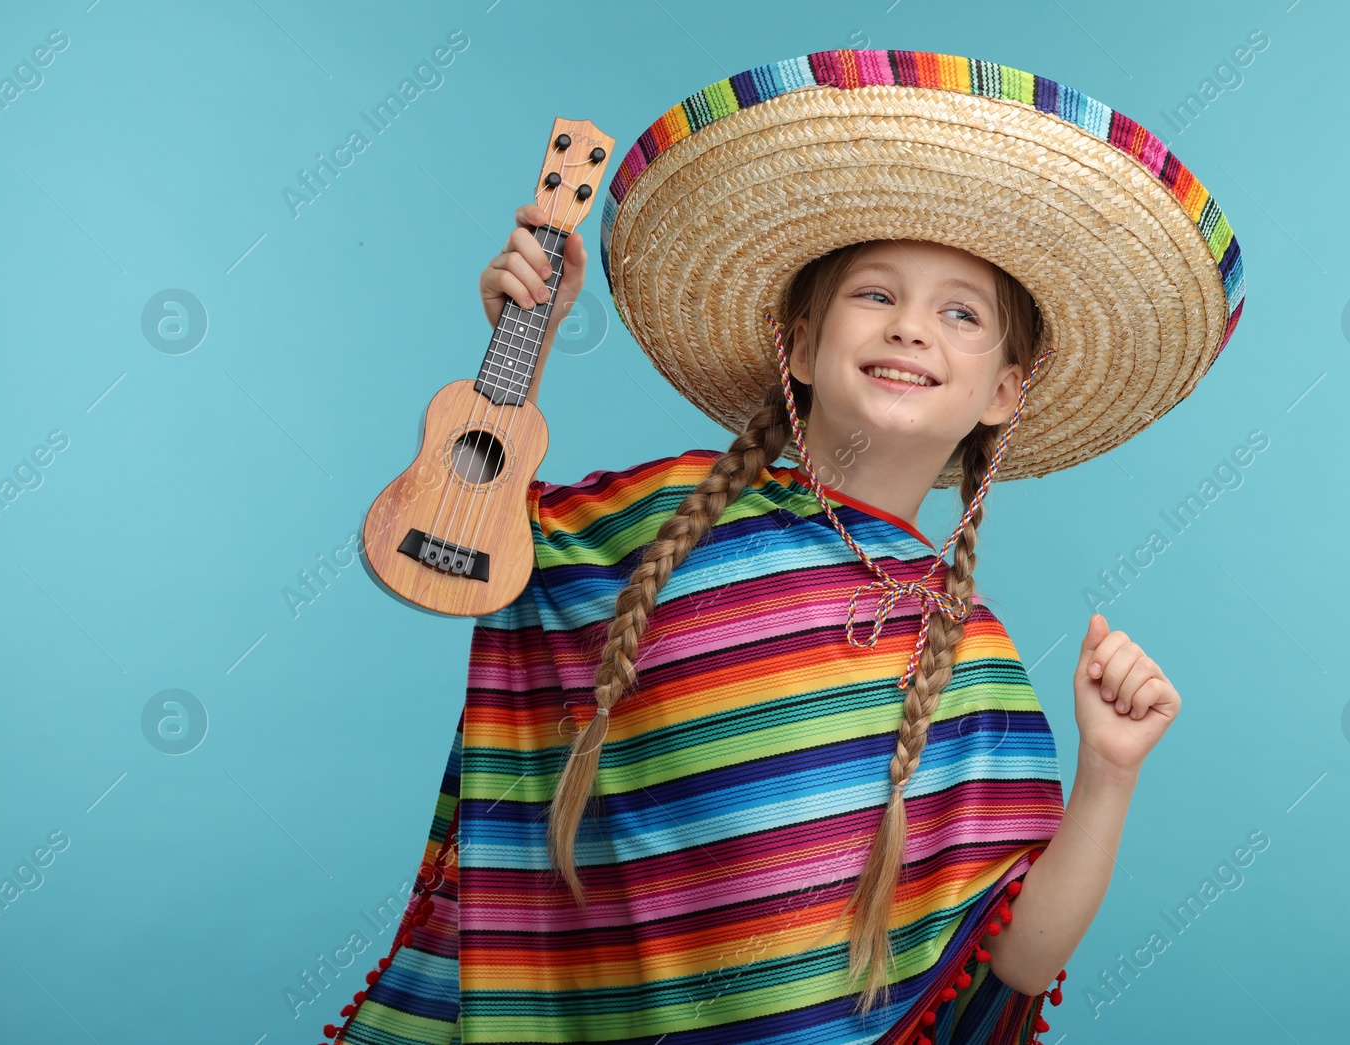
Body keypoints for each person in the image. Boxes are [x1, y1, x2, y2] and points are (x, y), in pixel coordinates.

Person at [328, 47, 1245, 1045]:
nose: (909, 329)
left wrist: (1109, 772)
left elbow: (1012, 961)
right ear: (800, 346)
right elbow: (455, 542)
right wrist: (522, 353)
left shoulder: (970, 662)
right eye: (874, 294)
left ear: (1002, 394)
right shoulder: (667, 517)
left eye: (961, 313)